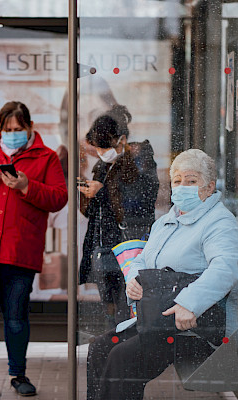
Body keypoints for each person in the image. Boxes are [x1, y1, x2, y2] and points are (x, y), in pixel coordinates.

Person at [86, 149, 238, 400]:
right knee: (100, 348)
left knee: (122, 359)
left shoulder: (219, 222)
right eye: (177, 180)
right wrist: (134, 279)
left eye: (191, 181)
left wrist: (189, 304)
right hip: (158, 320)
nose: (183, 187)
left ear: (209, 186)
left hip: (193, 328)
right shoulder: (167, 221)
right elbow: (142, 259)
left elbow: (225, 267)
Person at [0, 101, 68, 399]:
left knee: (16, 316)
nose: (12, 134)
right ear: (0, 128)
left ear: (30, 127)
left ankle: (18, 374)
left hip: (21, 251)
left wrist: (26, 186)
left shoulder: (46, 157)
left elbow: (59, 198)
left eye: (18, 129)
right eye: (7, 129)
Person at [78, 104, 159, 328]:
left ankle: (123, 349)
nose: (101, 153)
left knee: (129, 305)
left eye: (105, 147)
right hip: (104, 245)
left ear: (121, 140)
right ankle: (112, 346)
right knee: (110, 308)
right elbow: (92, 212)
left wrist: (101, 191)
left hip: (130, 244)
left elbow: (138, 204)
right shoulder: (102, 166)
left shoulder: (140, 161)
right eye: (98, 149)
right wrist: (87, 194)